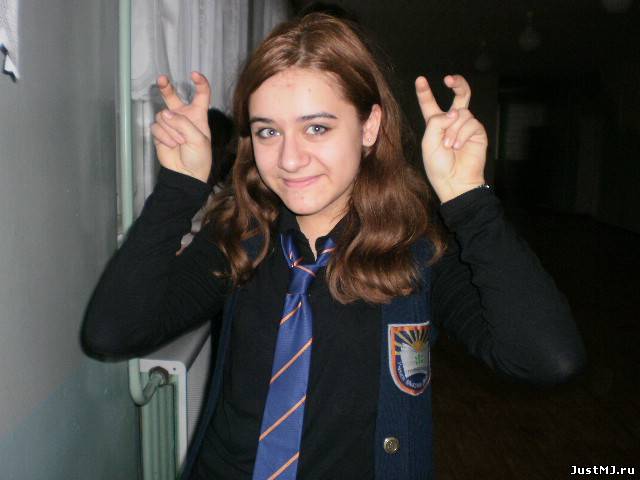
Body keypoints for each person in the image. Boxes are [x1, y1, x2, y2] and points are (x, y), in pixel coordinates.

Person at [82, 13, 586, 480]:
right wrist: (179, 188)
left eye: (317, 127)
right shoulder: (239, 238)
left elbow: (547, 358)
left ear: (369, 126)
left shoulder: (418, 254)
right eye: (268, 131)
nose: (290, 159)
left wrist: (468, 200)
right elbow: (111, 332)